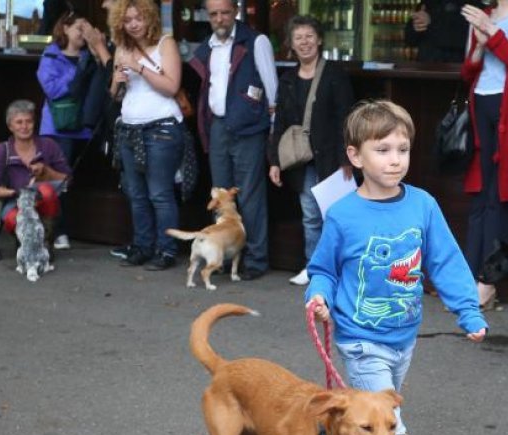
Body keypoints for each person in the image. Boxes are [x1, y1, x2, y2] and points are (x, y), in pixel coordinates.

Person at [305, 100, 487, 435]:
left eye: (402, 149)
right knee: (390, 424)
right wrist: (318, 294)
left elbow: (445, 260)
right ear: (355, 156)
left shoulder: (422, 205)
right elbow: (323, 268)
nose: (395, 159)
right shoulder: (344, 214)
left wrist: (468, 310)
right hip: (360, 340)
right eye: (382, 149)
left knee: (372, 425)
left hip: (404, 339)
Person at [189, 0, 278, 281]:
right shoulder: (208, 46)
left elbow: (272, 87)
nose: (220, 19)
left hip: (249, 127)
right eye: (214, 14)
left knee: (250, 197)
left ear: (235, 12)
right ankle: (225, 257)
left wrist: (272, 128)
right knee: (221, 199)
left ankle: (255, 259)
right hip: (218, 126)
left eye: (225, 13)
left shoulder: (256, 41)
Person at [460, 0, 508, 310]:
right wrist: (480, 45)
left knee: (498, 198)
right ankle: (469, 278)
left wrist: (492, 33)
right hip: (481, 104)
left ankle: (488, 282)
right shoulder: (486, 11)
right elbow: (468, 71)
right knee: (480, 197)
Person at [267, 15, 354, 286]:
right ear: (291, 45)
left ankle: (338, 270)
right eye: (298, 38)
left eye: (308, 36)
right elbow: (279, 122)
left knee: (336, 215)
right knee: (311, 214)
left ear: (318, 39)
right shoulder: (288, 79)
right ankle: (314, 267)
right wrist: (274, 161)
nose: (304, 42)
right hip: (302, 158)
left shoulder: (334, 75)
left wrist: (346, 159)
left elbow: (347, 117)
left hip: (331, 155)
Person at [109, 0, 186, 271]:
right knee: (136, 193)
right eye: (128, 19)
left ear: (150, 18)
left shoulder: (166, 44)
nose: (133, 24)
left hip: (161, 128)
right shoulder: (122, 47)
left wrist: (140, 67)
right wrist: (118, 83)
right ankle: (143, 246)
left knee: (159, 194)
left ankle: (166, 250)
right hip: (129, 128)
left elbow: (171, 86)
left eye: (138, 18)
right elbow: (115, 95)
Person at [37, 11, 100, 250]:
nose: (83, 33)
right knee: (57, 181)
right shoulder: (51, 54)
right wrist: (78, 74)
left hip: (82, 128)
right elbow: (52, 89)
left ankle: (65, 228)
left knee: (73, 181)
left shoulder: (89, 56)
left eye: (86, 29)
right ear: (64, 28)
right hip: (57, 128)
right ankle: (58, 231)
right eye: (79, 28)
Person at [0, 100, 70, 240]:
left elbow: (68, 179)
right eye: (19, 122)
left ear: (34, 123)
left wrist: (47, 172)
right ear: (10, 125)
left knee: (46, 191)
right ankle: (28, 241)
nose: (24, 126)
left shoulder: (48, 145)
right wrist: (15, 192)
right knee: (13, 219)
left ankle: (46, 237)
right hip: (16, 203)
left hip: (45, 205)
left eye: (28, 121)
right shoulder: (2, 149)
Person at [405, 0, 470, 63]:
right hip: (425, 65)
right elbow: (410, 40)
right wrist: (416, 26)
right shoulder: (427, 2)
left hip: (454, 66)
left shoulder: (469, 3)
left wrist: (431, 23)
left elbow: (465, 37)